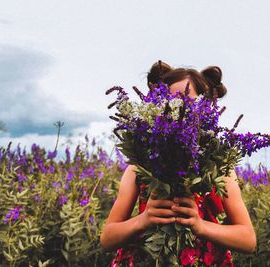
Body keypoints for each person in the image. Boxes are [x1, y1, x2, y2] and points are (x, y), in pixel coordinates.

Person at [100, 60, 257, 266]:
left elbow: (248, 240)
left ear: (206, 111)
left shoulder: (220, 170)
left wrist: (199, 225)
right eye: (173, 103)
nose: (181, 112)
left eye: (190, 105)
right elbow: (107, 239)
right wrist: (143, 220)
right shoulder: (139, 168)